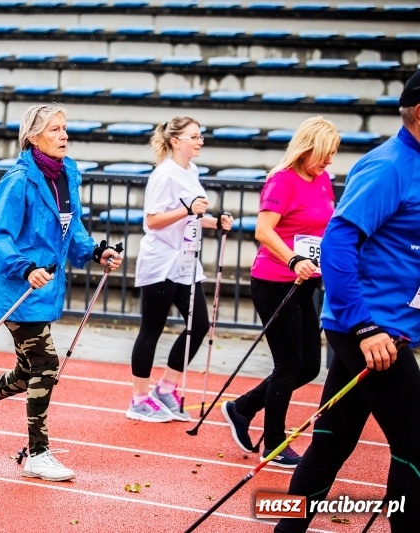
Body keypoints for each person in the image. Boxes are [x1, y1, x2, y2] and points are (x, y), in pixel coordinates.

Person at [0, 104, 122, 481]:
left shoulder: (68, 174)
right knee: (47, 365)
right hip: (18, 286)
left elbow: (72, 228)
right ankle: (37, 454)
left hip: (47, 287)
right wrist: (25, 268)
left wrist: (96, 250)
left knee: (28, 372)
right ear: (33, 136)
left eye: (65, 128)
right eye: (55, 130)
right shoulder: (18, 179)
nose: (64, 135)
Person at [275, 72, 420, 532]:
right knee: (416, 446)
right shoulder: (390, 166)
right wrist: (364, 326)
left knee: (331, 444)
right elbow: (338, 241)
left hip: (384, 327)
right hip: (372, 332)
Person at [221, 116, 339, 468]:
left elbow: (324, 225)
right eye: (324, 154)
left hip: (308, 280)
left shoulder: (322, 180)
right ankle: (274, 442)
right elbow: (263, 230)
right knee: (289, 364)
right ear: (307, 149)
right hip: (275, 280)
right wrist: (292, 259)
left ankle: (241, 407)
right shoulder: (282, 180)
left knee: (308, 367)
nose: (329, 161)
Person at [126, 117, 232, 424]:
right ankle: (139, 398)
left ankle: (166, 387)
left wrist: (213, 221)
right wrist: (189, 210)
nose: (200, 141)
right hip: (161, 260)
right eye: (194, 137)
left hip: (185, 261)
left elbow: (190, 216)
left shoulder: (192, 170)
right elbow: (153, 221)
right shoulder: (164, 174)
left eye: (201, 136)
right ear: (176, 141)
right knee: (152, 328)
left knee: (199, 325)